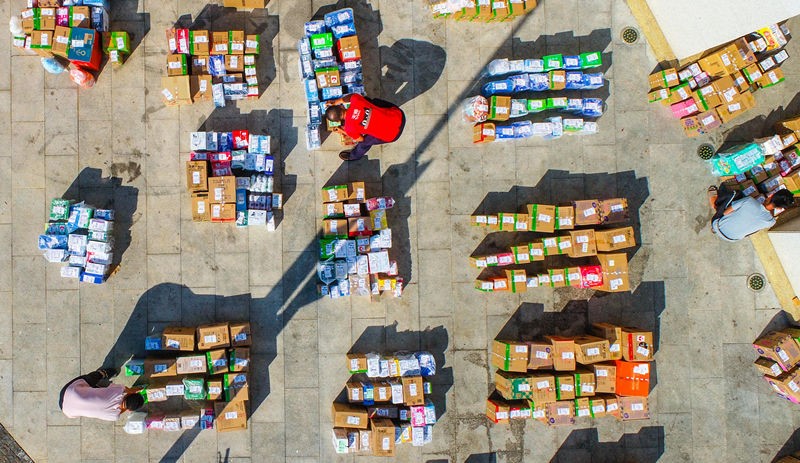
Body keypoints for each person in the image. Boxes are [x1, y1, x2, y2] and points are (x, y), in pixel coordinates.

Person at [324, 94, 406, 161]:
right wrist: (336, 101)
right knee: (372, 101)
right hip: (398, 115)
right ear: (341, 106)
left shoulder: (349, 128)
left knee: (364, 143)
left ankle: (353, 156)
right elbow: (350, 96)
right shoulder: (356, 100)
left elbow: (361, 139)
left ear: (338, 121)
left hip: (393, 134)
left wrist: (342, 131)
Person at [708, 184, 796, 242]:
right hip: (732, 239)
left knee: (735, 194)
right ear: (780, 208)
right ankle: (715, 229)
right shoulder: (771, 222)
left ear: (771, 195)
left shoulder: (750, 200)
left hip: (718, 225)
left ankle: (714, 201)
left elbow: (725, 212)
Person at [59, 367, 144, 421]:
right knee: (97, 394)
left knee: (91, 379)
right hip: (67, 410)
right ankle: (98, 380)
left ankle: (102, 373)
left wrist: (135, 389)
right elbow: (121, 409)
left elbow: (126, 389)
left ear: (129, 395)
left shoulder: (117, 392)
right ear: (129, 410)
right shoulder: (114, 416)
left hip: (68, 391)